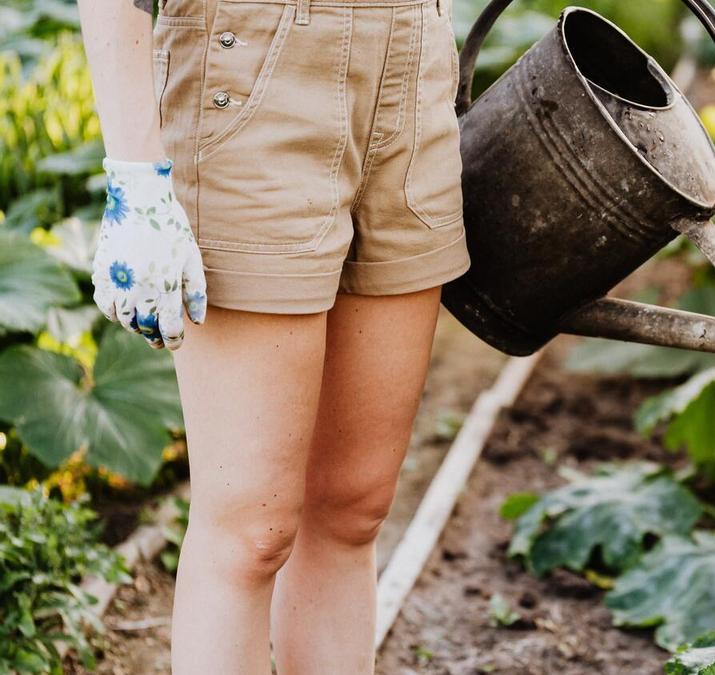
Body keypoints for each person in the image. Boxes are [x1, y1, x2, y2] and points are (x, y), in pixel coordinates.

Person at [78, 0, 469, 671]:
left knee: (354, 507)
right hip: (253, 59)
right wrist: (136, 175)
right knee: (251, 531)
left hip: (414, 54)